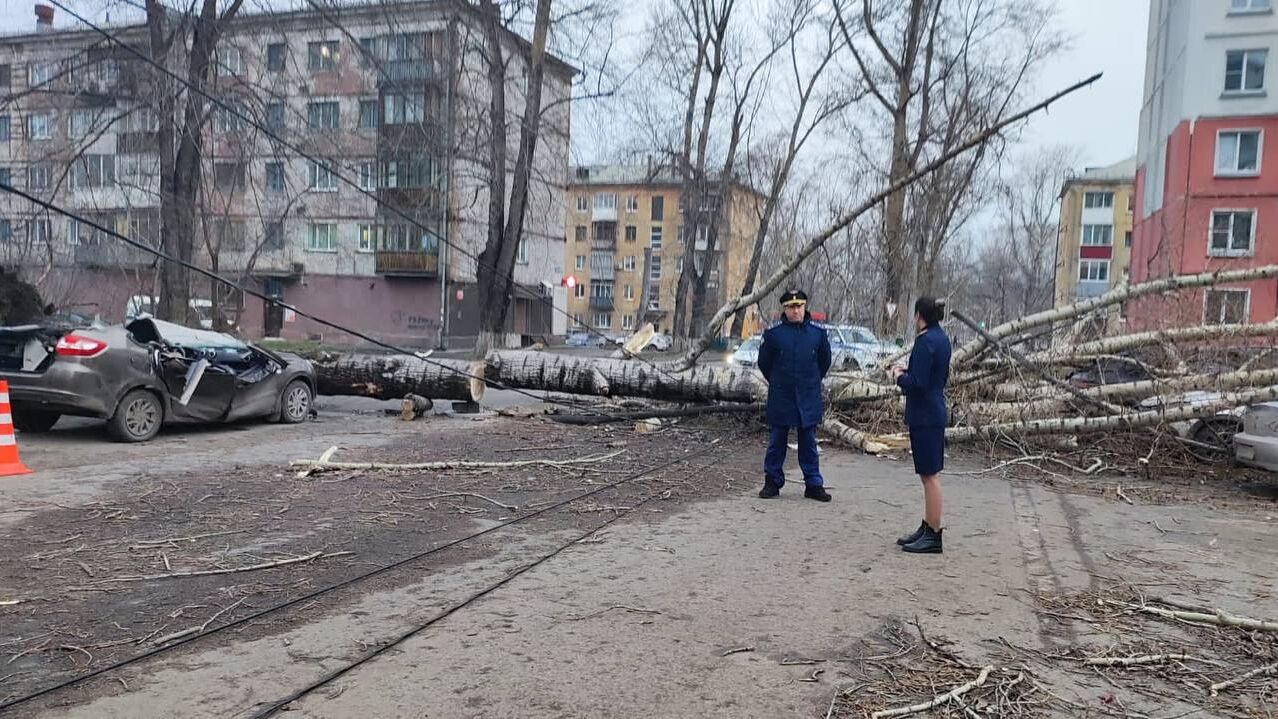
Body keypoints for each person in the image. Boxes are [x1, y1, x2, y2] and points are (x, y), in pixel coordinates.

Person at [756, 289, 832, 502]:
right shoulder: (773, 336)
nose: (796, 310)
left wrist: (811, 380)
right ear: (785, 309)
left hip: (808, 395)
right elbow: (764, 364)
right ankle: (772, 481)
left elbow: (824, 363)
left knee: (808, 442)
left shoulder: (818, 335)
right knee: (776, 442)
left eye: (799, 306)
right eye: (791, 307)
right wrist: (779, 381)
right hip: (782, 396)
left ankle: (813, 484)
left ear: (805, 307)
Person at [891, 297, 951, 553]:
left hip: (926, 414)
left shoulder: (926, 341)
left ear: (919, 316)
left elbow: (919, 383)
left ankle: (934, 534)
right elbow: (936, 374)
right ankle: (928, 526)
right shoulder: (942, 338)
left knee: (929, 475)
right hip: (933, 409)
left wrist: (899, 376)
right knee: (928, 474)